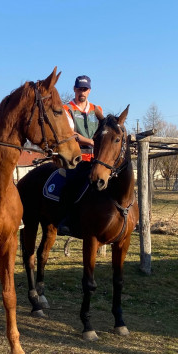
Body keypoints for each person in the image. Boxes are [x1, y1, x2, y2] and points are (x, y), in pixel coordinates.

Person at [58, 75, 103, 236]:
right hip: (76, 157)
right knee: (71, 184)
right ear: (74, 89)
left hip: (97, 158)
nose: (81, 92)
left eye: (85, 89)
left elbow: (102, 131)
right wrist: (91, 142)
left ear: (89, 91)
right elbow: (71, 133)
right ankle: (66, 220)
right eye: (79, 89)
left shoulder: (97, 110)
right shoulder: (67, 109)